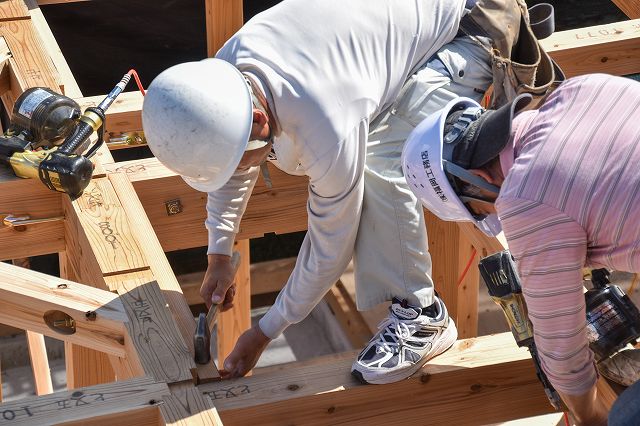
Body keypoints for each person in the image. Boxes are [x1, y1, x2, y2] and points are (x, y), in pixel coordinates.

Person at [142, 0, 553, 384]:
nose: (243, 170)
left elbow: (330, 246)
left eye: (243, 159)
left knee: (380, 162)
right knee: (314, 151)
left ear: (259, 117)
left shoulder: (327, 116)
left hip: (475, 27)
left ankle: (422, 316)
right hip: (418, 21)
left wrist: (267, 329)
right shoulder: (223, 76)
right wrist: (218, 252)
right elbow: (231, 160)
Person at [401, 72, 640, 425]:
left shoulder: (525, 197)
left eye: (481, 210)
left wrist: (588, 415)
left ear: (479, 181)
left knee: (625, 415)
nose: (496, 216)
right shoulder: (582, 88)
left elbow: (562, 345)